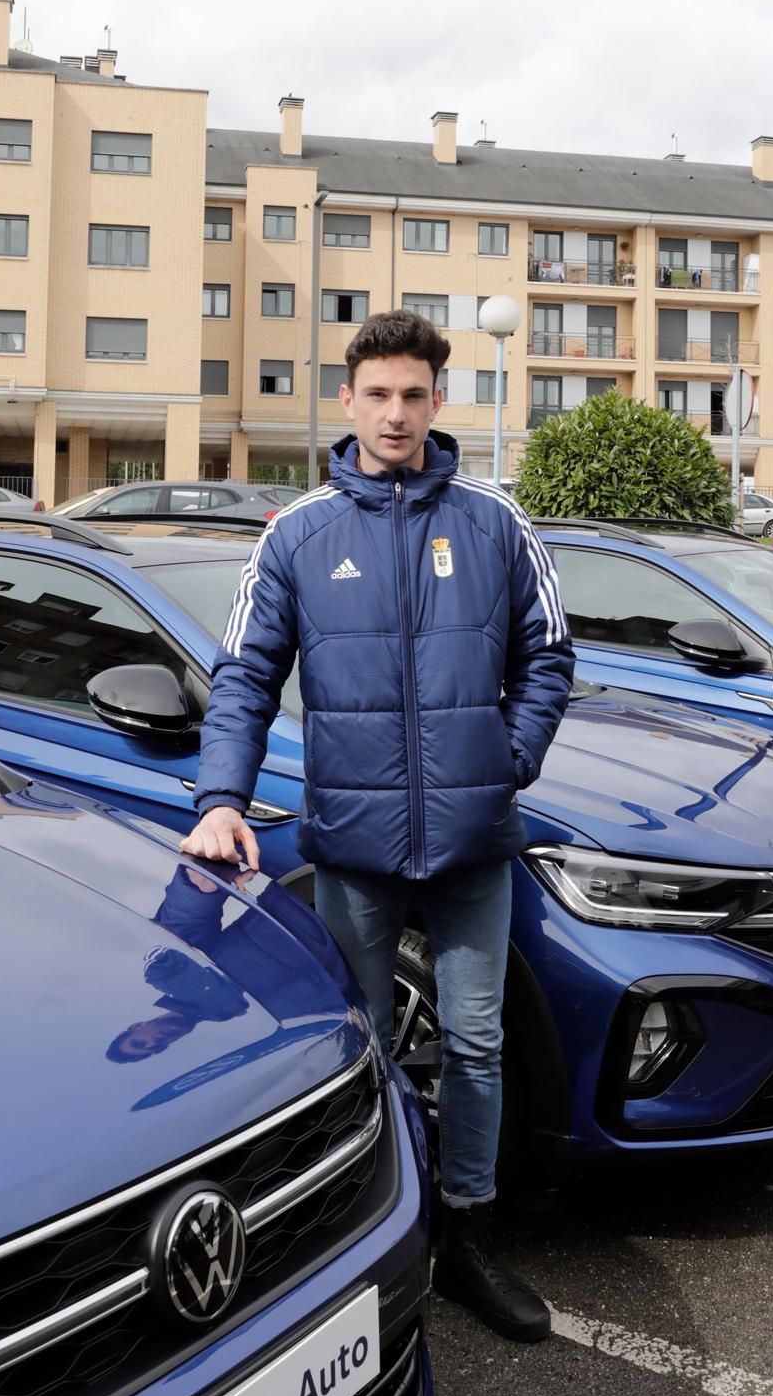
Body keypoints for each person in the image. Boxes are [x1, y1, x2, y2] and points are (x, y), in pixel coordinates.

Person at [180, 309, 574, 1341]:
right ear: (346, 400)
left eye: (413, 393)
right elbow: (244, 676)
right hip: (351, 846)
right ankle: (369, 1223)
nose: (395, 413)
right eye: (378, 393)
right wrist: (219, 795)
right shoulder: (297, 533)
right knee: (359, 1046)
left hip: (472, 846)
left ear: (438, 400)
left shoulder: (494, 521)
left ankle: (469, 1232)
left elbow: (547, 660)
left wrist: (503, 760)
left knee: (477, 1041)